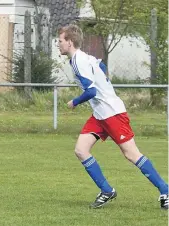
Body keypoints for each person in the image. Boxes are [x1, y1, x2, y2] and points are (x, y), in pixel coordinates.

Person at [58, 24, 168, 209]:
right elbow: (101, 65)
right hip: (100, 114)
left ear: (70, 42)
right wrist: (104, 83)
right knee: (81, 150)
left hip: (112, 113)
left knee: (131, 154)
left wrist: (75, 102)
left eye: (60, 41)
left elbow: (91, 91)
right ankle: (107, 190)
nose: (58, 44)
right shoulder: (83, 57)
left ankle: (165, 190)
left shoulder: (78, 61)